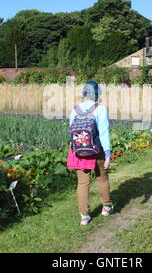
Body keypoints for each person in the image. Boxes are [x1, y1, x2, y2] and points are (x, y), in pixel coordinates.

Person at [68, 81, 113, 226]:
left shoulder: (75, 109)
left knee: (82, 183)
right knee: (102, 178)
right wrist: (107, 153)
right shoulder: (100, 109)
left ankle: (84, 216)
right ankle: (106, 207)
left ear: (84, 93)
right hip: (96, 149)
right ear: (97, 94)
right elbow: (104, 133)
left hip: (79, 150)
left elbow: (71, 131)